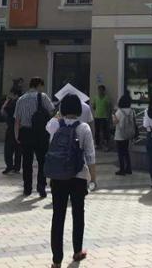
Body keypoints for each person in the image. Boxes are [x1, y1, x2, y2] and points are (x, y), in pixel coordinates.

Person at [45, 93, 96, 268]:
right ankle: (77, 251)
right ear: (79, 109)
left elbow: (48, 125)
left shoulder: (54, 125)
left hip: (58, 176)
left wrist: (58, 114)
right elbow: (90, 155)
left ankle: (56, 260)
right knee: (78, 213)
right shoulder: (84, 128)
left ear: (62, 108)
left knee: (58, 216)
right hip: (78, 176)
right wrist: (93, 179)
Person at [14, 77, 55, 196]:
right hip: (40, 132)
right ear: (39, 85)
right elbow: (52, 111)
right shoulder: (43, 97)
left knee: (27, 161)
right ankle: (41, 187)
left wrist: (17, 135)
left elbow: (17, 119)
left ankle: (27, 188)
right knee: (42, 161)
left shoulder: (21, 99)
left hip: (25, 132)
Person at [112, 92, 136, 175]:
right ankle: (128, 168)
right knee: (126, 152)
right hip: (128, 134)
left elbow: (115, 122)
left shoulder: (119, 111)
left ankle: (122, 169)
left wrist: (113, 115)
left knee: (120, 153)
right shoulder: (131, 111)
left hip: (119, 134)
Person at [1, 87, 21, 174]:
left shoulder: (12, 103)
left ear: (14, 94)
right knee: (18, 149)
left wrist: (6, 102)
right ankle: (17, 167)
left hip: (11, 128)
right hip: (21, 128)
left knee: (8, 149)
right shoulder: (22, 102)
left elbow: (3, 112)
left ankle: (9, 166)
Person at [91, 85, 111, 151]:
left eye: (101, 90)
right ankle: (97, 144)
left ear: (103, 91)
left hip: (104, 117)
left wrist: (108, 116)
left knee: (105, 132)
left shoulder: (106, 98)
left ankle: (105, 145)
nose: (100, 91)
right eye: (99, 90)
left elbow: (109, 107)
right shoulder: (95, 97)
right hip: (97, 117)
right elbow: (94, 106)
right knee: (97, 131)